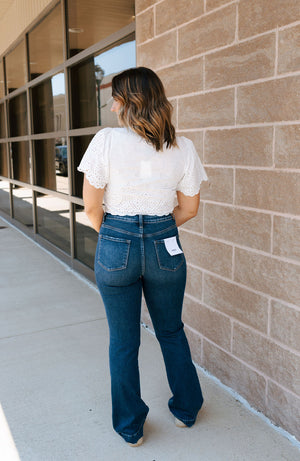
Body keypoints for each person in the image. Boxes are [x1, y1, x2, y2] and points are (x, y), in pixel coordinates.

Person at [77, 67, 208, 447]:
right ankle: (187, 408)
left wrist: (118, 237)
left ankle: (130, 426)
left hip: (116, 239)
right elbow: (190, 209)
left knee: (123, 340)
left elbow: (90, 207)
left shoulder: (107, 140)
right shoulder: (182, 146)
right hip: (164, 240)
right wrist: (159, 231)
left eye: (115, 96)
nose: (112, 104)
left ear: (128, 101)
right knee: (170, 330)